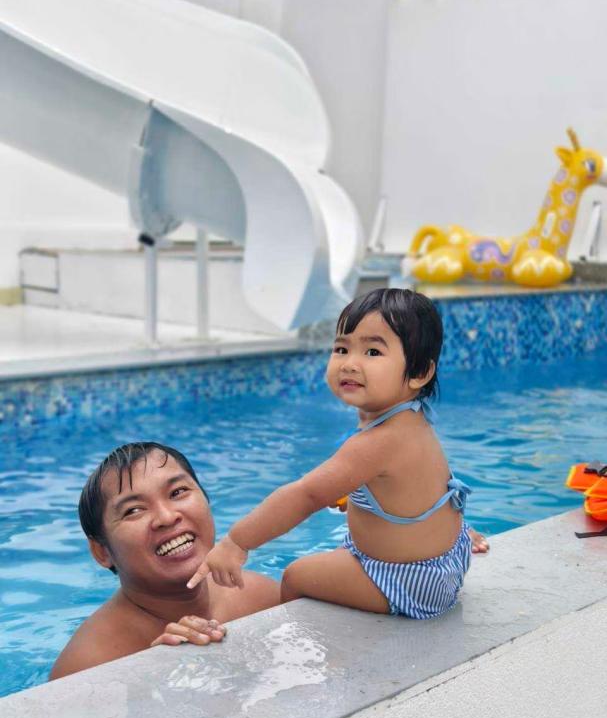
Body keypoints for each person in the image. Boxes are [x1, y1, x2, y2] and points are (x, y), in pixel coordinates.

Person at [190, 288, 476, 620]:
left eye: (372, 351)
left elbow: (306, 495)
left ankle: (300, 642)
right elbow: (408, 489)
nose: (350, 364)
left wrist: (236, 542)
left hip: (410, 581)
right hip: (446, 559)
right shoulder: (412, 417)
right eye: (342, 349)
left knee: (295, 576)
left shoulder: (377, 442)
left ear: (419, 373)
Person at [49, 443, 281, 680]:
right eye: (133, 510)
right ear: (102, 552)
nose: (167, 517)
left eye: (178, 492)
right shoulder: (87, 666)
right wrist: (154, 678)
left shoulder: (260, 597)